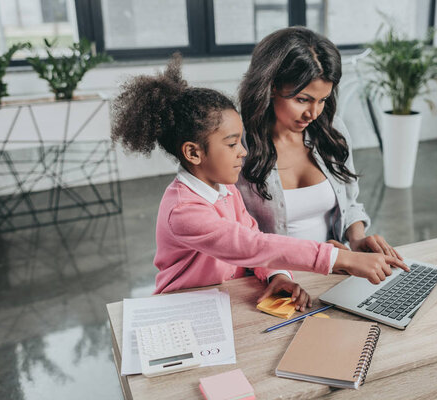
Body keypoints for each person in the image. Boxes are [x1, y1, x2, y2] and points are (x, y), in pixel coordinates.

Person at [110, 54, 407, 311]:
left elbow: (252, 235)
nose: (243, 151)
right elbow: (252, 245)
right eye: (232, 144)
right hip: (185, 309)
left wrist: (277, 275)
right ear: (193, 152)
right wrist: (339, 258)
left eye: (241, 140)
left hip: (230, 300)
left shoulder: (225, 189)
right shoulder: (183, 211)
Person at [238, 27, 402, 263]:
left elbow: (350, 201)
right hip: (272, 282)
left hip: (333, 271)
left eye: (322, 100)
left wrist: (356, 238)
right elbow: (234, 235)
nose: (313, 113)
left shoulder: (331, 129)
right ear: (271, 86)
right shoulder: (238, 143)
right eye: (302, 100)